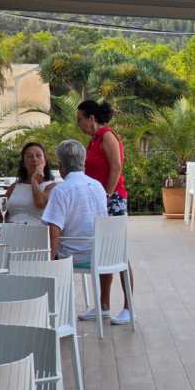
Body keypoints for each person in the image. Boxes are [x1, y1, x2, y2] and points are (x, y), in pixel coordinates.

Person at [41, 140, 116, 322]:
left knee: (41, 258)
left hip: (75, 255)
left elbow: (54, 230)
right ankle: (103, 305)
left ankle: (56, 311)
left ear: (61, 166)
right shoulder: (98, 186)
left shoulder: (61, 190)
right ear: (83, 162)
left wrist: (49, 262)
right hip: (101, 253)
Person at [76, 100, 133, 323]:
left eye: (80, 119)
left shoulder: (107, 136)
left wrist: (107, 195)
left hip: (113, 200)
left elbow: (116, 167)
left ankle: (128, 307)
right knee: (103, 251)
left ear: (91, 118)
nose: (78, 124)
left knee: (118, 251)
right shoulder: (94, 140)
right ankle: (103, 305)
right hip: (100, 201)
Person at [3, 142, 56, 225]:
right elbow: (0, 214)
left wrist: (34, 180)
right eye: (29, 156)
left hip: (37, 231)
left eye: (38, 155)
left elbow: (40, 203)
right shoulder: (14, 187)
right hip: (12, 229)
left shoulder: (51, 186)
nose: (34, 159)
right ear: (23, 163)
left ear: (45, 161)